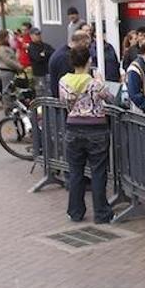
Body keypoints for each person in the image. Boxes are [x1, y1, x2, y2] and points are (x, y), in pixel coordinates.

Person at [58, 46, 114, 224]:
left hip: (73, 128)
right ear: (88, 61)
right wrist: (100, 81)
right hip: (96, 129)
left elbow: (63, 101)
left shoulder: (63, 81)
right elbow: (110, 97)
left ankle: (75, 211)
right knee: (98, 172)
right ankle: (101, 213)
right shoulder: (94, 83)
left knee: (75, 172)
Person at [49, 31, 92, 99]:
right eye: (86, 44)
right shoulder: (65, 57)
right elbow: (69, 84)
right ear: (81, 42)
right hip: (64, 100)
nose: (87, 48)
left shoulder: (62, 53)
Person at [26, 28, 55, 97]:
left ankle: (49, 107)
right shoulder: (31, 47)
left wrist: (44, 54)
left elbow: (53, 52)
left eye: (39, 34)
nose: (38, 36)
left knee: (49, 91)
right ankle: (41, 107)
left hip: (47, 71)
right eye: (36, 34)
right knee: (40, 92)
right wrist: (44, 54)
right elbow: (37, 58)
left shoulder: (45, 45)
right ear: (31, 36)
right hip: (38, 74)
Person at [0, 29, 23, 96]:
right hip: (6, 71)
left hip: (10, 71)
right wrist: (18, 66)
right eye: (7, 37)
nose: (9, 38)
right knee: (7, 90)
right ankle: (7, 104)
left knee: (11, 89)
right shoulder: (2, 49)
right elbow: (8, 60)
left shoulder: (6, 47)